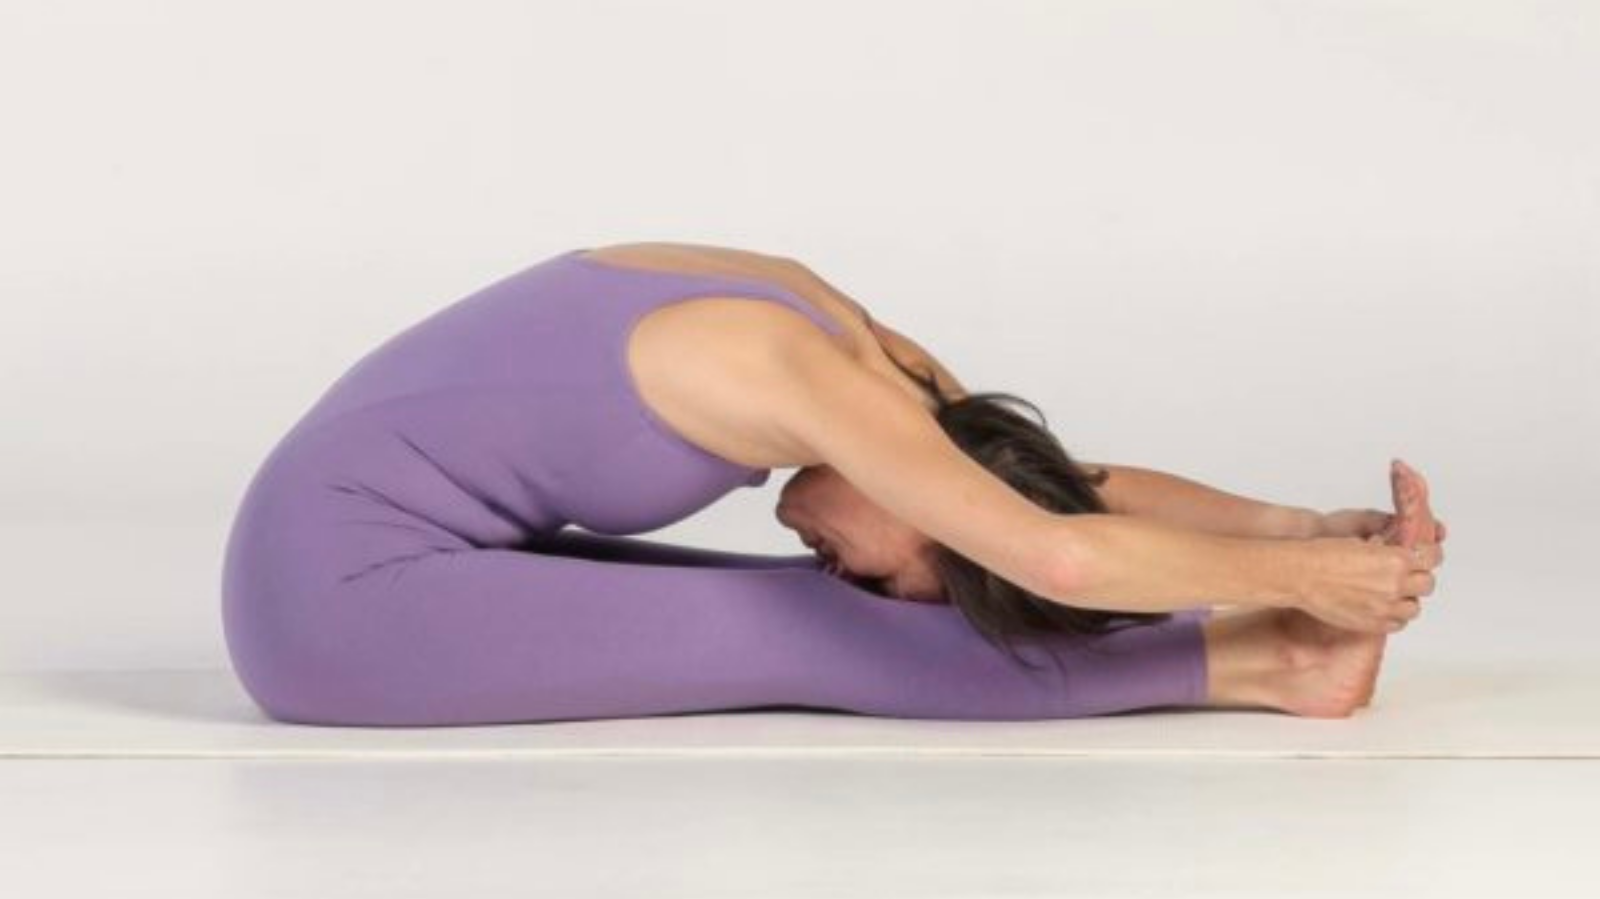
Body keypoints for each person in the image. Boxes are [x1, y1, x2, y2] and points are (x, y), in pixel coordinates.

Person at [220, 242, 1447, 726]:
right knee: (808, 626)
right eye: (901, 576)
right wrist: (1308, 581)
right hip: (332, 610)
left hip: (376, 554)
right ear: (930, 495)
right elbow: (1058, 556)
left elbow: (1063, 496)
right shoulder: (822, 387)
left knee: (823, 599)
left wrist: (1308, 520)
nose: (861, 576)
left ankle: (1268, 649)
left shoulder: (888, 377)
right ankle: (1266, 659)